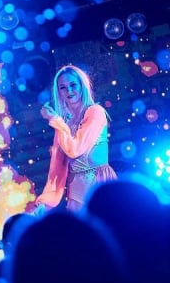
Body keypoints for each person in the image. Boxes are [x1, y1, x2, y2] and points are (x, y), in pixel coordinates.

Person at [34, 65, 117, 212]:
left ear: (82, 86)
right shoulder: (63, 123)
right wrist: (45, 202)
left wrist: (55, 120)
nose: (69, 91)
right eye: (63, 87)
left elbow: (75, 150)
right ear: (58, 92)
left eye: (73, 85)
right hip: (76, 193)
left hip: (100, 185)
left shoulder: (95, 112)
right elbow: (57, 167)